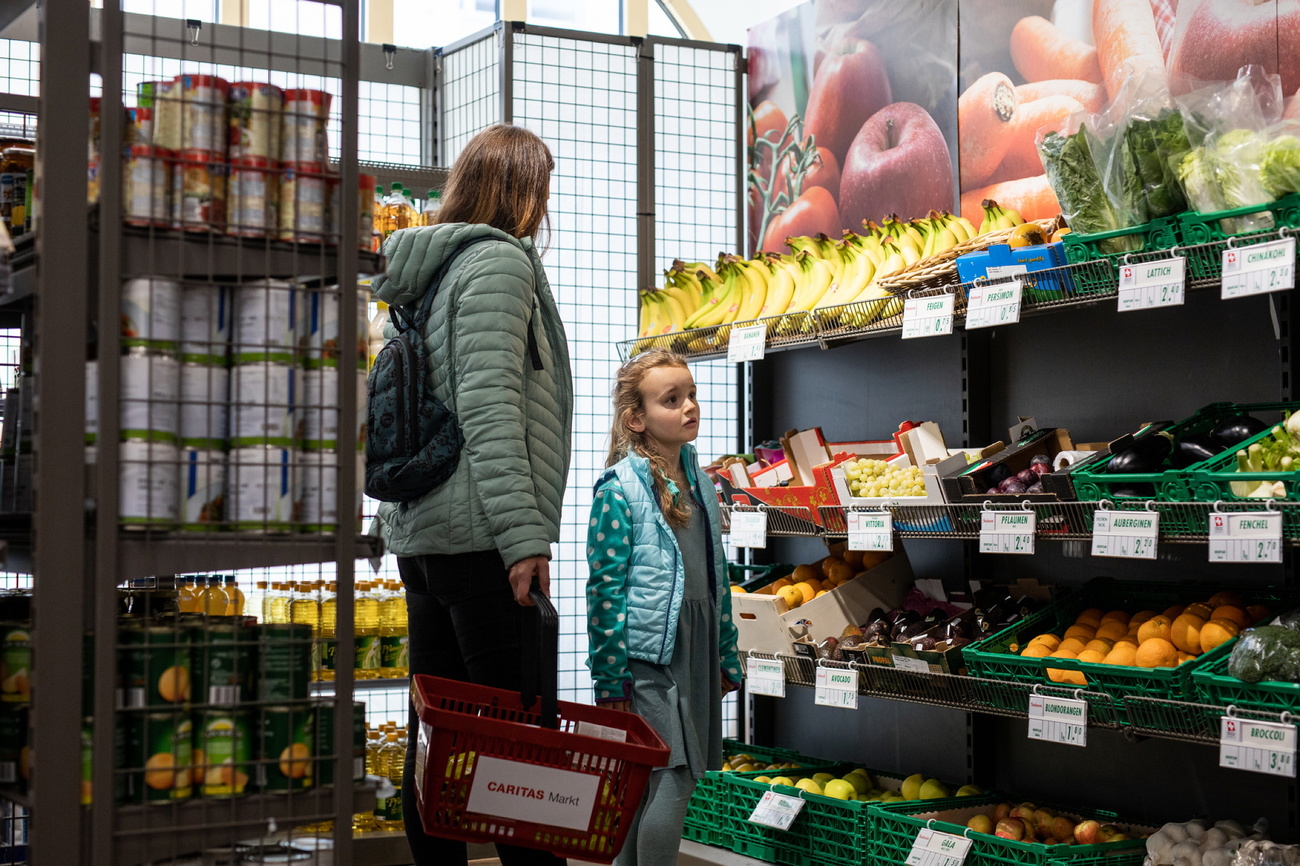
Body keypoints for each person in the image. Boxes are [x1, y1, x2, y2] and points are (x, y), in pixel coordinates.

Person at [371, 124, 573, 866]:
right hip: (479, 535)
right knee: (516, 753)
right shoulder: (495, 264)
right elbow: (490, 407)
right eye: (542, 187)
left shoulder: (427, 269)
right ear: (523, 190)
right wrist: (523, 538)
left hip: (423, 536)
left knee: (439, 740)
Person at [585, 348, 743, 866]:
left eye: (691, 394)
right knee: (674, 780)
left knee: (650, 786)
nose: (689, 407)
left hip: (695, 650)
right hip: (650, 661)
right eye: (671, 400)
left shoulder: (700, 479)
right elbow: (603, 593)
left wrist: (725, 652)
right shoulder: (618, 490)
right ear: (637, 419)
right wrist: (610, 680)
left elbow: (714, 577)